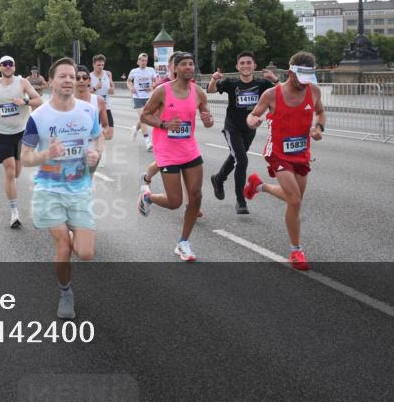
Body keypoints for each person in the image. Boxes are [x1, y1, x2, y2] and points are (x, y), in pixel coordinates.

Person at [21, 58, 103, 319]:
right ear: (51, 81)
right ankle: (65, 292)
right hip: (49, 191)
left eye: (72, 76)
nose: (68, 80)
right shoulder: (38, 117)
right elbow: (25, 157)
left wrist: (95, 154)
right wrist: (48, 153)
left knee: (86, 253)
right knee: (64, 247)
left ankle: (72, 229)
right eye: (62, 76)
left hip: (80, 190)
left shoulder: (88, 111)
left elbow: (97, 138)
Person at [243, 51, 326, 271]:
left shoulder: (314, 91)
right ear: (290, 73)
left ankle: (258, 186)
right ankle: (295, 250)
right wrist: (253, 120)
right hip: (278, 153)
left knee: (294, 200)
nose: (305, 84)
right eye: (302, 79)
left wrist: (319, 128)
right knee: (295, 201)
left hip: (302, 153)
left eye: (309, 80)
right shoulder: (272, 94)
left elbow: (321, 113)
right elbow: (253, 114)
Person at [137, 52, 213, 262]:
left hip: (190, 149)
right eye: (185, 64)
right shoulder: (163, 91)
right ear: (176, 69)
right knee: (174, 202)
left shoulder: (198, 92)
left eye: (192, 64)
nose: (189, 67)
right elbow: (145, 115)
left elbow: (208, 120)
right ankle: (148, 197)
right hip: (167, 151)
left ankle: (183, 243)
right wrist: (163, 124)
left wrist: (208, 119)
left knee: (196, 196)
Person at [208, 52, 279, 214]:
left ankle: (218, 178)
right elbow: (211, 90)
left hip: (250, 129)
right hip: (232, 127)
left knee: (235, 157)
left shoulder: (262, 84)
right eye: (242, 63)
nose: (245, 66)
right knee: (242, 160)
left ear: (254, 66)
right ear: (237, 67)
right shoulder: (231, 83)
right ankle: (241, 201)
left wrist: (274, 79)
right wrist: (214, 78)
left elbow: (283, 91)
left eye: (249, 63)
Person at [0, 55, 43, 228]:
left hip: (21, 134)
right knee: (9, 170)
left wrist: (24, 101)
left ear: (15, 67)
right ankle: (14, 213)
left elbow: (39, 101)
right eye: (5, 64)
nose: (8, 67)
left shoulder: (22, 82)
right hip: (3, 134)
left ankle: (12, 184)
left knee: (17, 172)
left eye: (10, 64)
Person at [74, 65, 113, 172]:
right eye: (77, 78)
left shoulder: (98, 100)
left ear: (89, 80)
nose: (81, 81)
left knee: (87, 179)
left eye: (84, 78)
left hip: (92, 148)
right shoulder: (67, 101)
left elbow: (105, 125)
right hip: (72, 149)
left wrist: (100, 137)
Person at [127, 52, 158, 150]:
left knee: (145, 117)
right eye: (142, 60)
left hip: (149, 97)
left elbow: (156, 80)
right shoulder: (134, 71)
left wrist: (153, 86)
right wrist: (131, 88)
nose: (144, 62)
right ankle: (147, 141)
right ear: (138, 61)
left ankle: (135, 129)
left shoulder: (151, 70)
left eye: (145, 60)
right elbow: (128, 81)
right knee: (143, 118)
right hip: (138, 97)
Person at [88, 54, 115, 135]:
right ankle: (97, 144)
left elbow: (112, 88)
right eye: (98, 65)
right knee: (93, 134)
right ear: (93, 64)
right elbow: (86, 93)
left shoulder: (108, 74)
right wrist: (95, 88)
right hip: (94, 109)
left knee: (109, 134)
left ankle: (99, 141)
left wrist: (111, 89)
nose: (101, 67)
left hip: (106, 107)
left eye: (102, 65)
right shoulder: (89, 76)